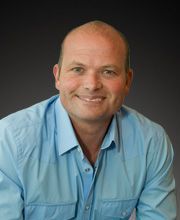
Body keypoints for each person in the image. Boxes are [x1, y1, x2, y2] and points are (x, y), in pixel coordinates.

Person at [0, 20, 176, 219]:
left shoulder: (151, 142)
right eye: (78, 69)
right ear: (57, 76)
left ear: (127, 81)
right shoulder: (9, 141)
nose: (92, 85)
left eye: (108, 72)